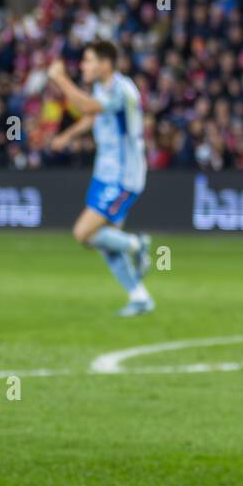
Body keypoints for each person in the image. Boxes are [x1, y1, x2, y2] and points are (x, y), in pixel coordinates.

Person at [48, 43, 154, 315]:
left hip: (123, 175)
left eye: (89, 60)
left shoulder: (122, 90)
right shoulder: (101, 87)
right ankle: (140, 297)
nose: (83, 66)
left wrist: (61, 79)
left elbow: (87, 105)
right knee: (105, 241)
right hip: (105, 173)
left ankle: (137, 244)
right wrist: (67, 136)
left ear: (106, 64)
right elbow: (92, 116)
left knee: (84, 233)